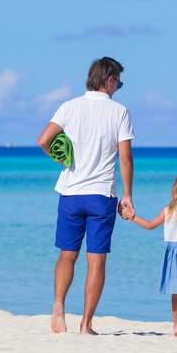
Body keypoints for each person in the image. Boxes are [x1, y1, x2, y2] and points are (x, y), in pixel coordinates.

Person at [37, 57, 135, 335]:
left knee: (67, 254)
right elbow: (125, 158)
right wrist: (127, 195)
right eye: (118, 81)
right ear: (108, 79)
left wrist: (60, 157)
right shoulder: (119, 112)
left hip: (70, 192)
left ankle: (58, 305)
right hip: (101, 195)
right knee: (96, 259)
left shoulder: (69, 107)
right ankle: (86, 324)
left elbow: (43, 140)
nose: (118, 87)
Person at [121, 174, 177, 338]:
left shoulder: (167, 210)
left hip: (172, 255)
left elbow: (149, 226)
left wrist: (132, 216)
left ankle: (176, 327)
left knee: (175, 294)